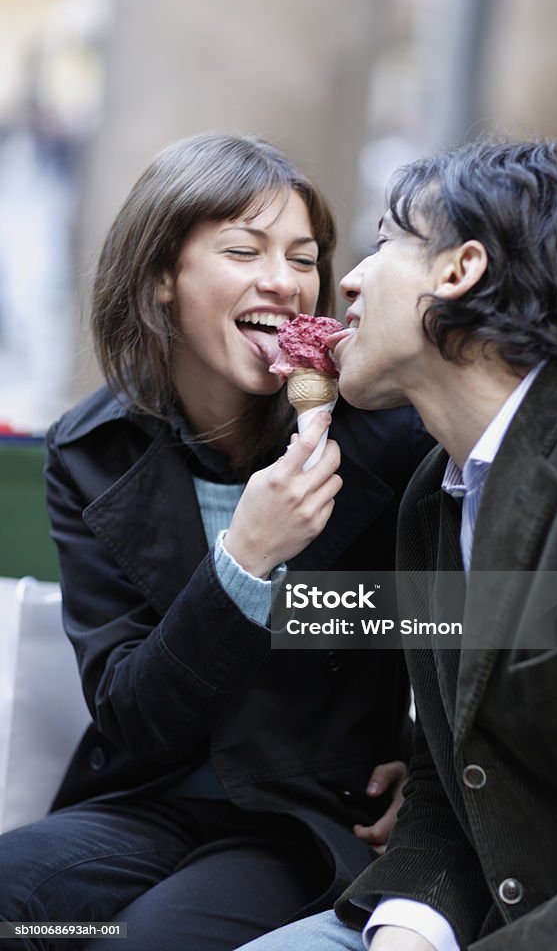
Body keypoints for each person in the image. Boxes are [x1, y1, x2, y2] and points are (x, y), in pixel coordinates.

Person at [236, 137, 557, 951]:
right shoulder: (430, 500)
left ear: (457, 270)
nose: (348, 281)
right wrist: (404, 930)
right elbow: (454, 780)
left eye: (381, 247)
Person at [0, 133, 434, 950]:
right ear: (162, 278)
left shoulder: (385, 438)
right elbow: (132, 716)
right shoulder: (92, 453)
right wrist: (244, 557)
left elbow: (450, 618)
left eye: (304, 258)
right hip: (143, 803)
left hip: (303, 817)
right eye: (243, 249)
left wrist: (435, 780)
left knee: (137, 939)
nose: (285, 279)